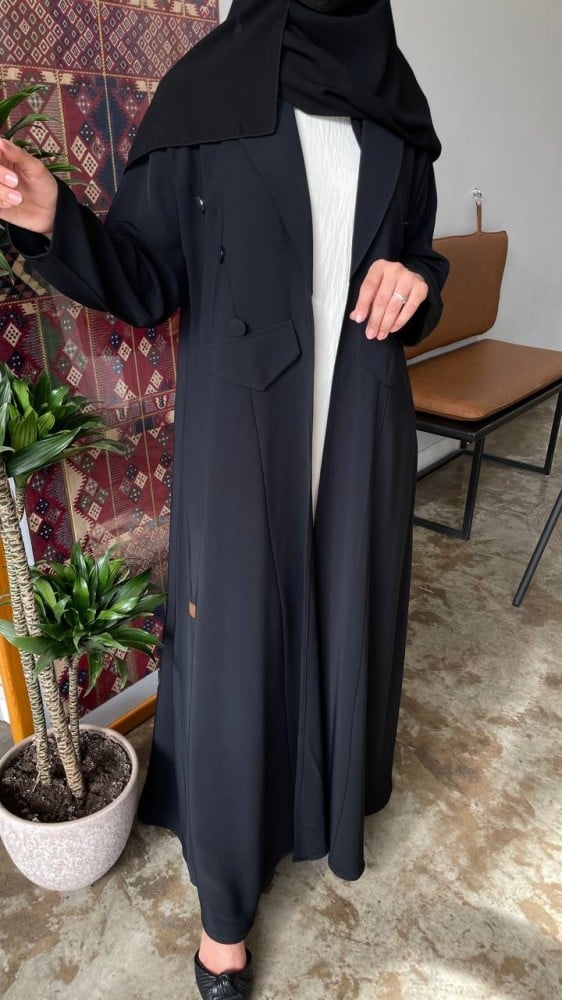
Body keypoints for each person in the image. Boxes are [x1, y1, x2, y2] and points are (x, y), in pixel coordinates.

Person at [0, 1, 449, 996]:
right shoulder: (208, 91)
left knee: (345, 627)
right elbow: (144, 278)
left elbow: (419, 254)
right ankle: (225, 914)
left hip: (362, 428)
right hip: (243, 436)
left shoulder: (394, 105)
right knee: (239, 659)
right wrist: (52, 219)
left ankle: (323, 815)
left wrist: (418, 279)